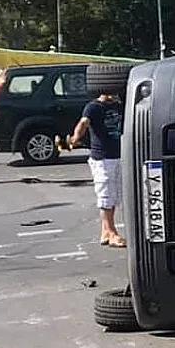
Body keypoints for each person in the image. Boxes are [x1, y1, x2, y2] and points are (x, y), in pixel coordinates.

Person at [69, 90, 126, 247]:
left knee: (115, 194)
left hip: (119, 155)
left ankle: (105, 231)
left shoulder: (118, 105)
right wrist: (75, 138)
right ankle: (112, 232)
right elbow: (83, 123)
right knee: (106, 194)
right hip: (102, 157)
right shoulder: (93, 107)